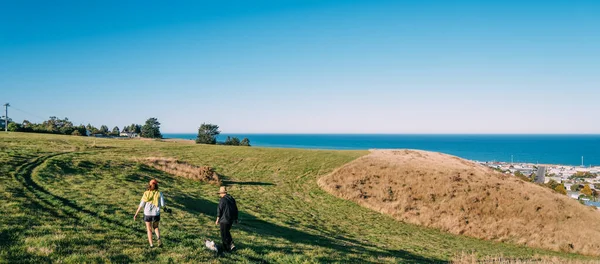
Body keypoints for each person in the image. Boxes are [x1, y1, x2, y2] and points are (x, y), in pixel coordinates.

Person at [134, 179, 165, 248]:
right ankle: (159, 238)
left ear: (149, 185)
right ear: (157, 185)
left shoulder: (146, 193)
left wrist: (136, 214)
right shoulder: (159, 193)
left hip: (147, 213)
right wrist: (165, 209)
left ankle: (151, 245)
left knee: (149, 229)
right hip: (156, 214)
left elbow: (141, 205)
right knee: (156, 227)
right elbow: (163, 205)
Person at [215, 186, 238, 252]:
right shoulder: (232, 199)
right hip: (231, 219)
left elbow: (219, 210)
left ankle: (227, 247)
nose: (219, 195)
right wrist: (236, 218)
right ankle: (230, 245)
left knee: (224, 234)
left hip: (224, 219)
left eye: (220, 193)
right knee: (227, 232)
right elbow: (236, 209)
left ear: (222, 193)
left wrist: (217, 219)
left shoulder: (222, 200)